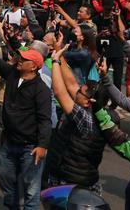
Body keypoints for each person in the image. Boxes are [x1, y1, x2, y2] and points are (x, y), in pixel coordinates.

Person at [0, 22, 50, 210]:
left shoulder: (41, 90)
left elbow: (45, 120)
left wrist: (42, 145)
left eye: (25, 59)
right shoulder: (12, 74)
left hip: (30, 148)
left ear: (34, 67)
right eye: (20, 56)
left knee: (31, 191)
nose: (19, 59)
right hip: (8, 143)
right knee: (8, 186)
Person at [46, 46, 105, 195]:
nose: (76, 89)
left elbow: (60, 92)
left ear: (88, 101)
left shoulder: (86, 119)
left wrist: (54, 61)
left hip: (74, 182)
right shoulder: (87, 106)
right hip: (70, 175)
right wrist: (61, 57)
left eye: (81, 91)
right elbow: (71, 83)